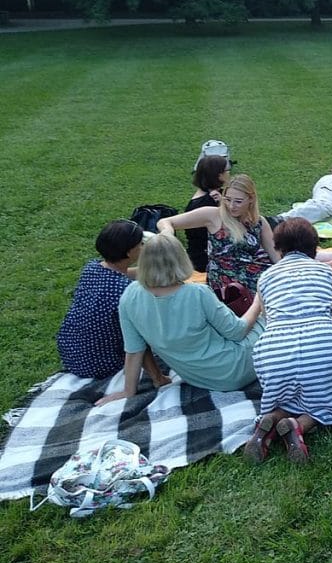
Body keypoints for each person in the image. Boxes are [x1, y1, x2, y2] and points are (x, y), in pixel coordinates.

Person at [243, 219, 332, 465]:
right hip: (320, 345)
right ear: (314, 247)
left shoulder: (265, 278)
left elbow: (268, 320)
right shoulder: (328, 273)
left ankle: (272, 419)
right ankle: (300, 425)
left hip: (273, 352)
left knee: (287, 392)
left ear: (278, 248)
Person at [95, 235, 263, 406]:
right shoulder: (197, 293)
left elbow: (134, 350)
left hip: (199, 379)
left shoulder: (129, 295)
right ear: (181, 258)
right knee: (267, 318)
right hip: (237, 368)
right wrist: (258, 301)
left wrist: (129, 390)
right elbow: (237, 332)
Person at [156, 174, 278, 293]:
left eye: (238, 201)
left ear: (251, 200)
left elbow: (276, 256)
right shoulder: (214, 215)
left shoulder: (258, 222)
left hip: (253, 277)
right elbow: (165, 222)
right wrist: (167, 233)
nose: (231, 206)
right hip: (225, 283)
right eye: (227, 200)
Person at [56, 220, 144, 379]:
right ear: (129, 252)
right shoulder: (126, 291)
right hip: (101, 364)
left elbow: (123, 273)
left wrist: (153, 270)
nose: (143, 247)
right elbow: (139, 336)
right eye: (141, 244)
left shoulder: (92, 268)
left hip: (72, 354)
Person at [184, 155, 229, 272]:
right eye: (226, 171)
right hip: (207, 259)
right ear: (218, 175)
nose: (229, 173)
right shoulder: (204, 203)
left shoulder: (217, 194)